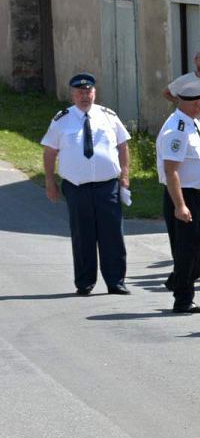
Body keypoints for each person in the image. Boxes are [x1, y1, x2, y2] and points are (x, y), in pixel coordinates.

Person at [42, 72, 133, 296]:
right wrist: (50, 180)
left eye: (88, 91)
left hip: (107, 185)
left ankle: (116, 281)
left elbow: (123, 145)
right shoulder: (61, 119)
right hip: (76, 186)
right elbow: (50, 151)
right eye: (80, 92)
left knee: (112, 234)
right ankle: (84, 283)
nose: (85, 96)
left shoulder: (108, 116)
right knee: (83, 235)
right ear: (72, 95)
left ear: (95, 92)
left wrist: (125, 175)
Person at [157, 75, 200, 314]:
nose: (199, 106)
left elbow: (198, 157)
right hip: (185, 195)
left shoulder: (193, 123)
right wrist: (180, 205)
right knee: (188, 249)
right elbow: (171, 170)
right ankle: (183, 299)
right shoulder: (177, 128)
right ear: (181, 101)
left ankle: (179, 279)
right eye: (194, 103)